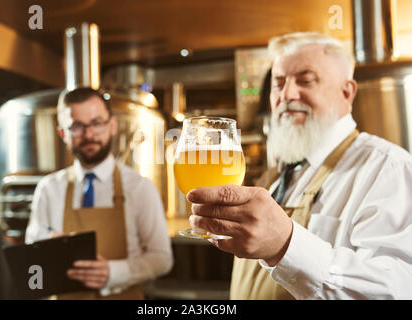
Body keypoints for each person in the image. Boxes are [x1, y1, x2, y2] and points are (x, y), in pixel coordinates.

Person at [187, 32, 412, 299]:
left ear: (347, 92)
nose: (287, 94)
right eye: (278, 83)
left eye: (305, 80)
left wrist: (286, 245)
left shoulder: (386, 167)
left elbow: (397, 289)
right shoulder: (276, 176)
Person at [25, 87, 173, 299]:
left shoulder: (140, 188)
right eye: (77, 126)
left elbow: (162, 259)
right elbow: (32, 252)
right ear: (63, 133)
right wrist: (48, 245)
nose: (89, 134)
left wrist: (114, 273)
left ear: (112, 125)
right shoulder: (49, 188)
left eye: (97, 123)